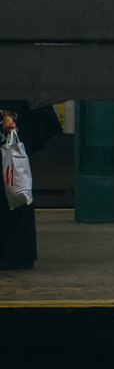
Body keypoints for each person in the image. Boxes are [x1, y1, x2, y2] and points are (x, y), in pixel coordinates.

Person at [0, 101, 62, 270]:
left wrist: (7, 114)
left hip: (8, 121)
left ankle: (14, 255)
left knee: (9, 191)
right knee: (14, 190)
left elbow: (8, 86)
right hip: (13, 118)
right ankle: (19, 254)